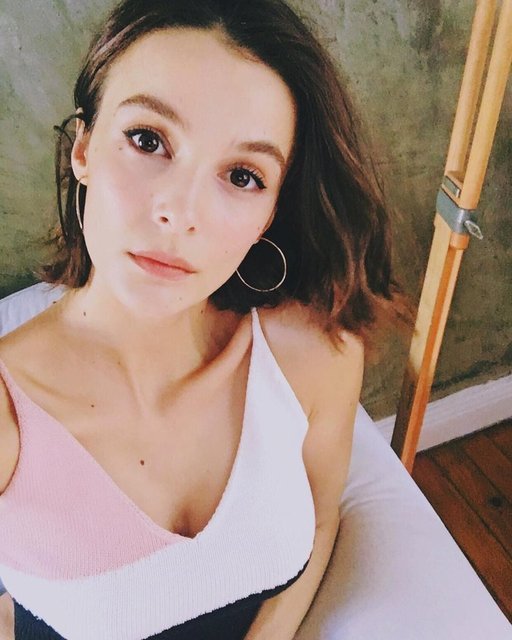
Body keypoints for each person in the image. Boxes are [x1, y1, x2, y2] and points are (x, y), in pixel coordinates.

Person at [0, 0, 412, 638]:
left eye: (243, 176)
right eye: (147, 140)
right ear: (83, 147)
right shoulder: (11, 411)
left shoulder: (313, 354)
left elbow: (321, 519)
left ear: (271, 213)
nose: (180, 212)